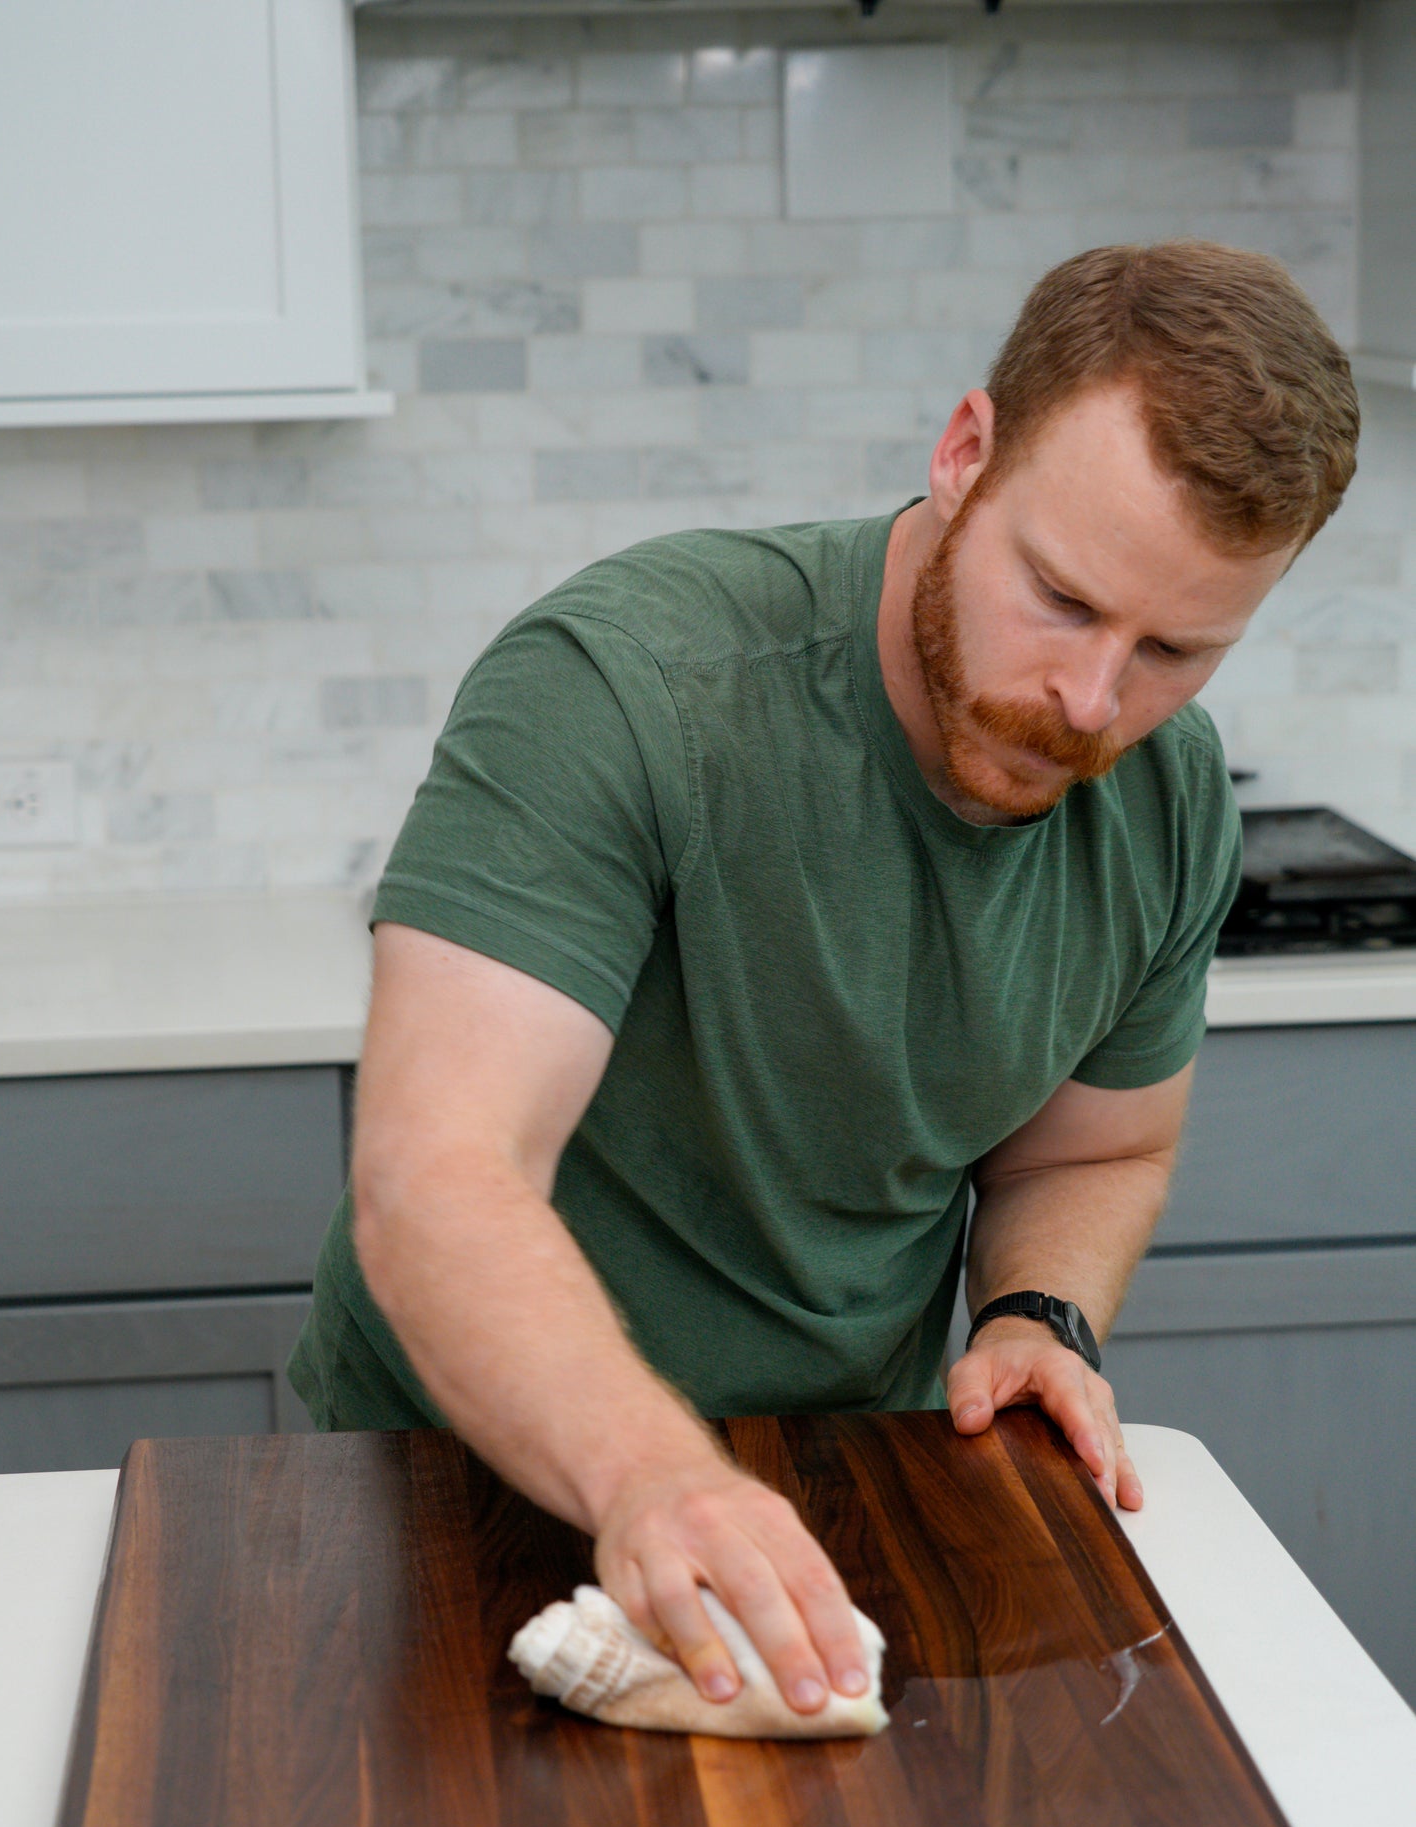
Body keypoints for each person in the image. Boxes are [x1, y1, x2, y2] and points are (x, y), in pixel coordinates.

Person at [289, 240, 1359, 1722]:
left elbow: (1100, 1143)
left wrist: (1033, 1320)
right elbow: (437, 1178)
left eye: (1175, 650)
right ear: (962, 452)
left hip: (849, 1490)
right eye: (1058, 597)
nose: (1091, 703)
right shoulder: (626, 684)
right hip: (443, 1488)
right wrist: (660, 1477)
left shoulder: (1163, 797)